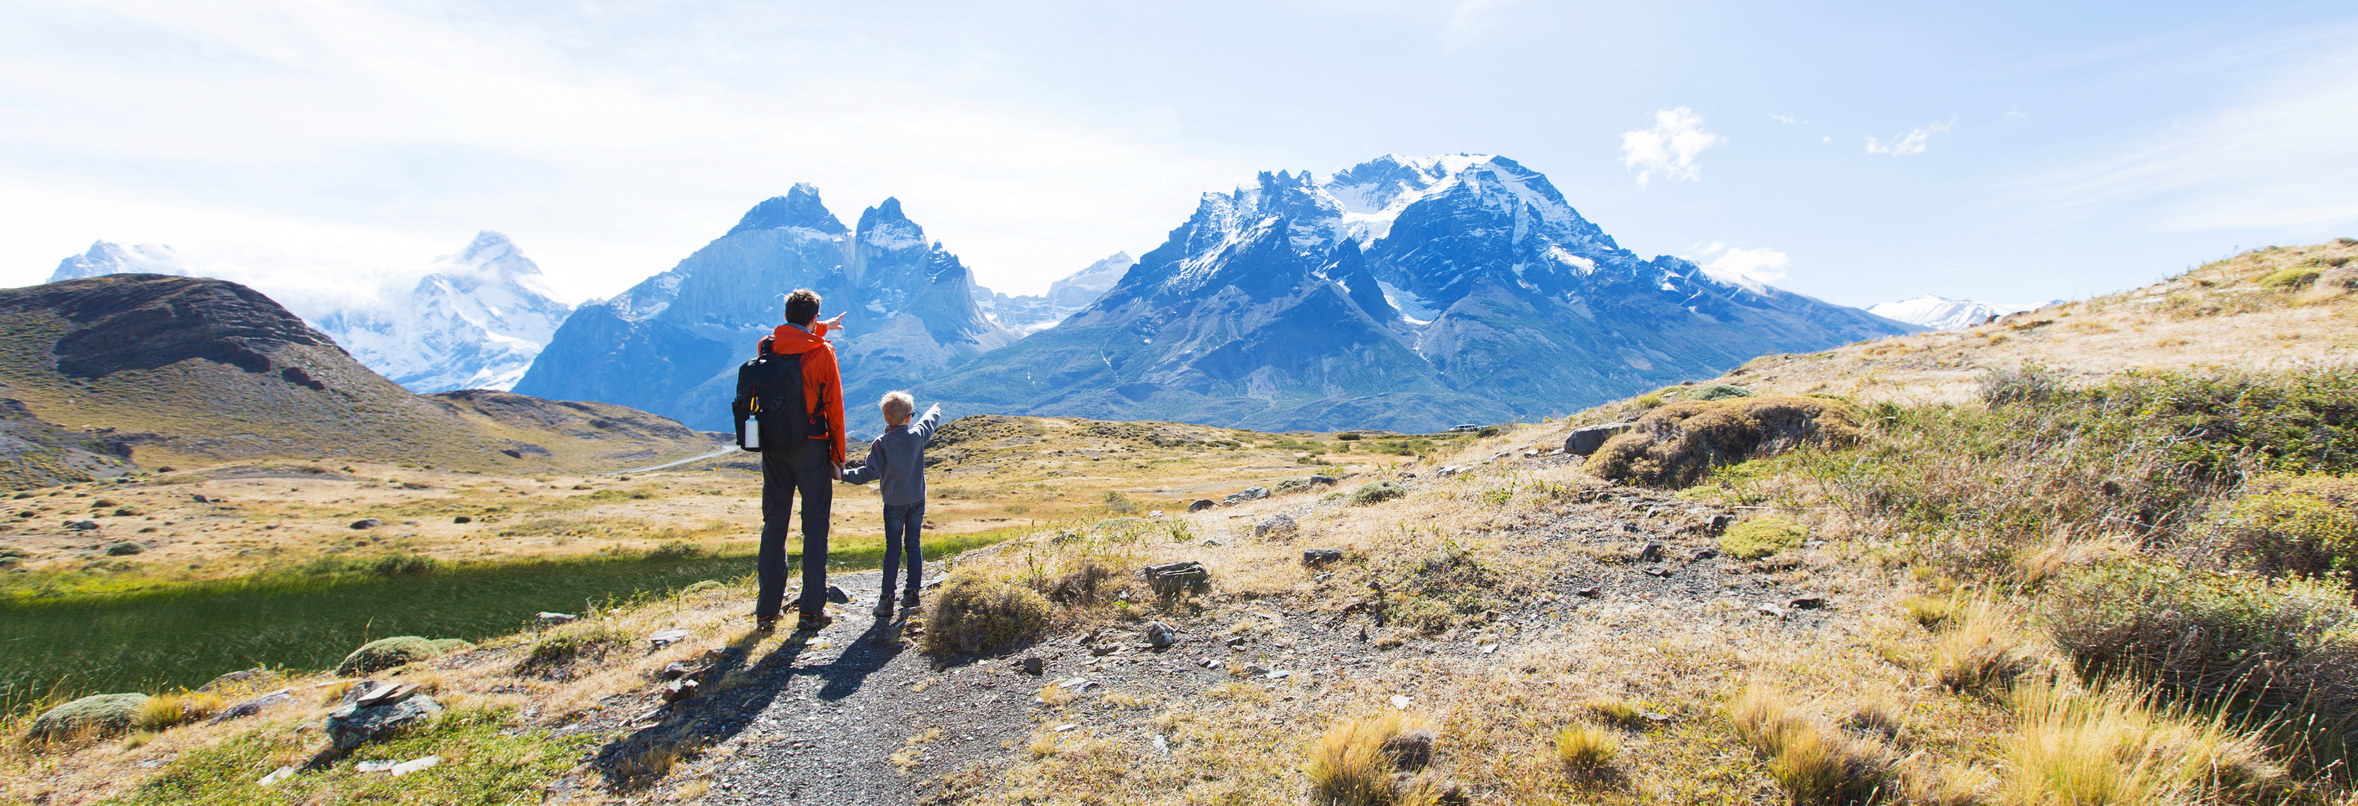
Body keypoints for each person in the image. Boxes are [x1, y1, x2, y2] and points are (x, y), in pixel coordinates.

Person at [735, 289, 849, 631]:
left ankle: (767, 610)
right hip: (811, 446)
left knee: (774, 524)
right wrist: (838, 456)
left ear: (786, 314)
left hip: (773, 446)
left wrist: (819, 327)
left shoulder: (766, 347)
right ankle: (812, 609)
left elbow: (785, 340)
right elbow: (834, 407)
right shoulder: (822, 352)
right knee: (815, 525)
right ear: (813, 317)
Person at [838, 391, 942, 618]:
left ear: (887, 418)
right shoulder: (916, 436)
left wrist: (843, 474)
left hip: (893, 504)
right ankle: (912, 595)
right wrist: (935, 410)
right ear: (908, 418)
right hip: (917, 501)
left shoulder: (881, 444)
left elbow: (868, 473)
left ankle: (886, 601)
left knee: (893, 548)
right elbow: (929, 423)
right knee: (913, 545)